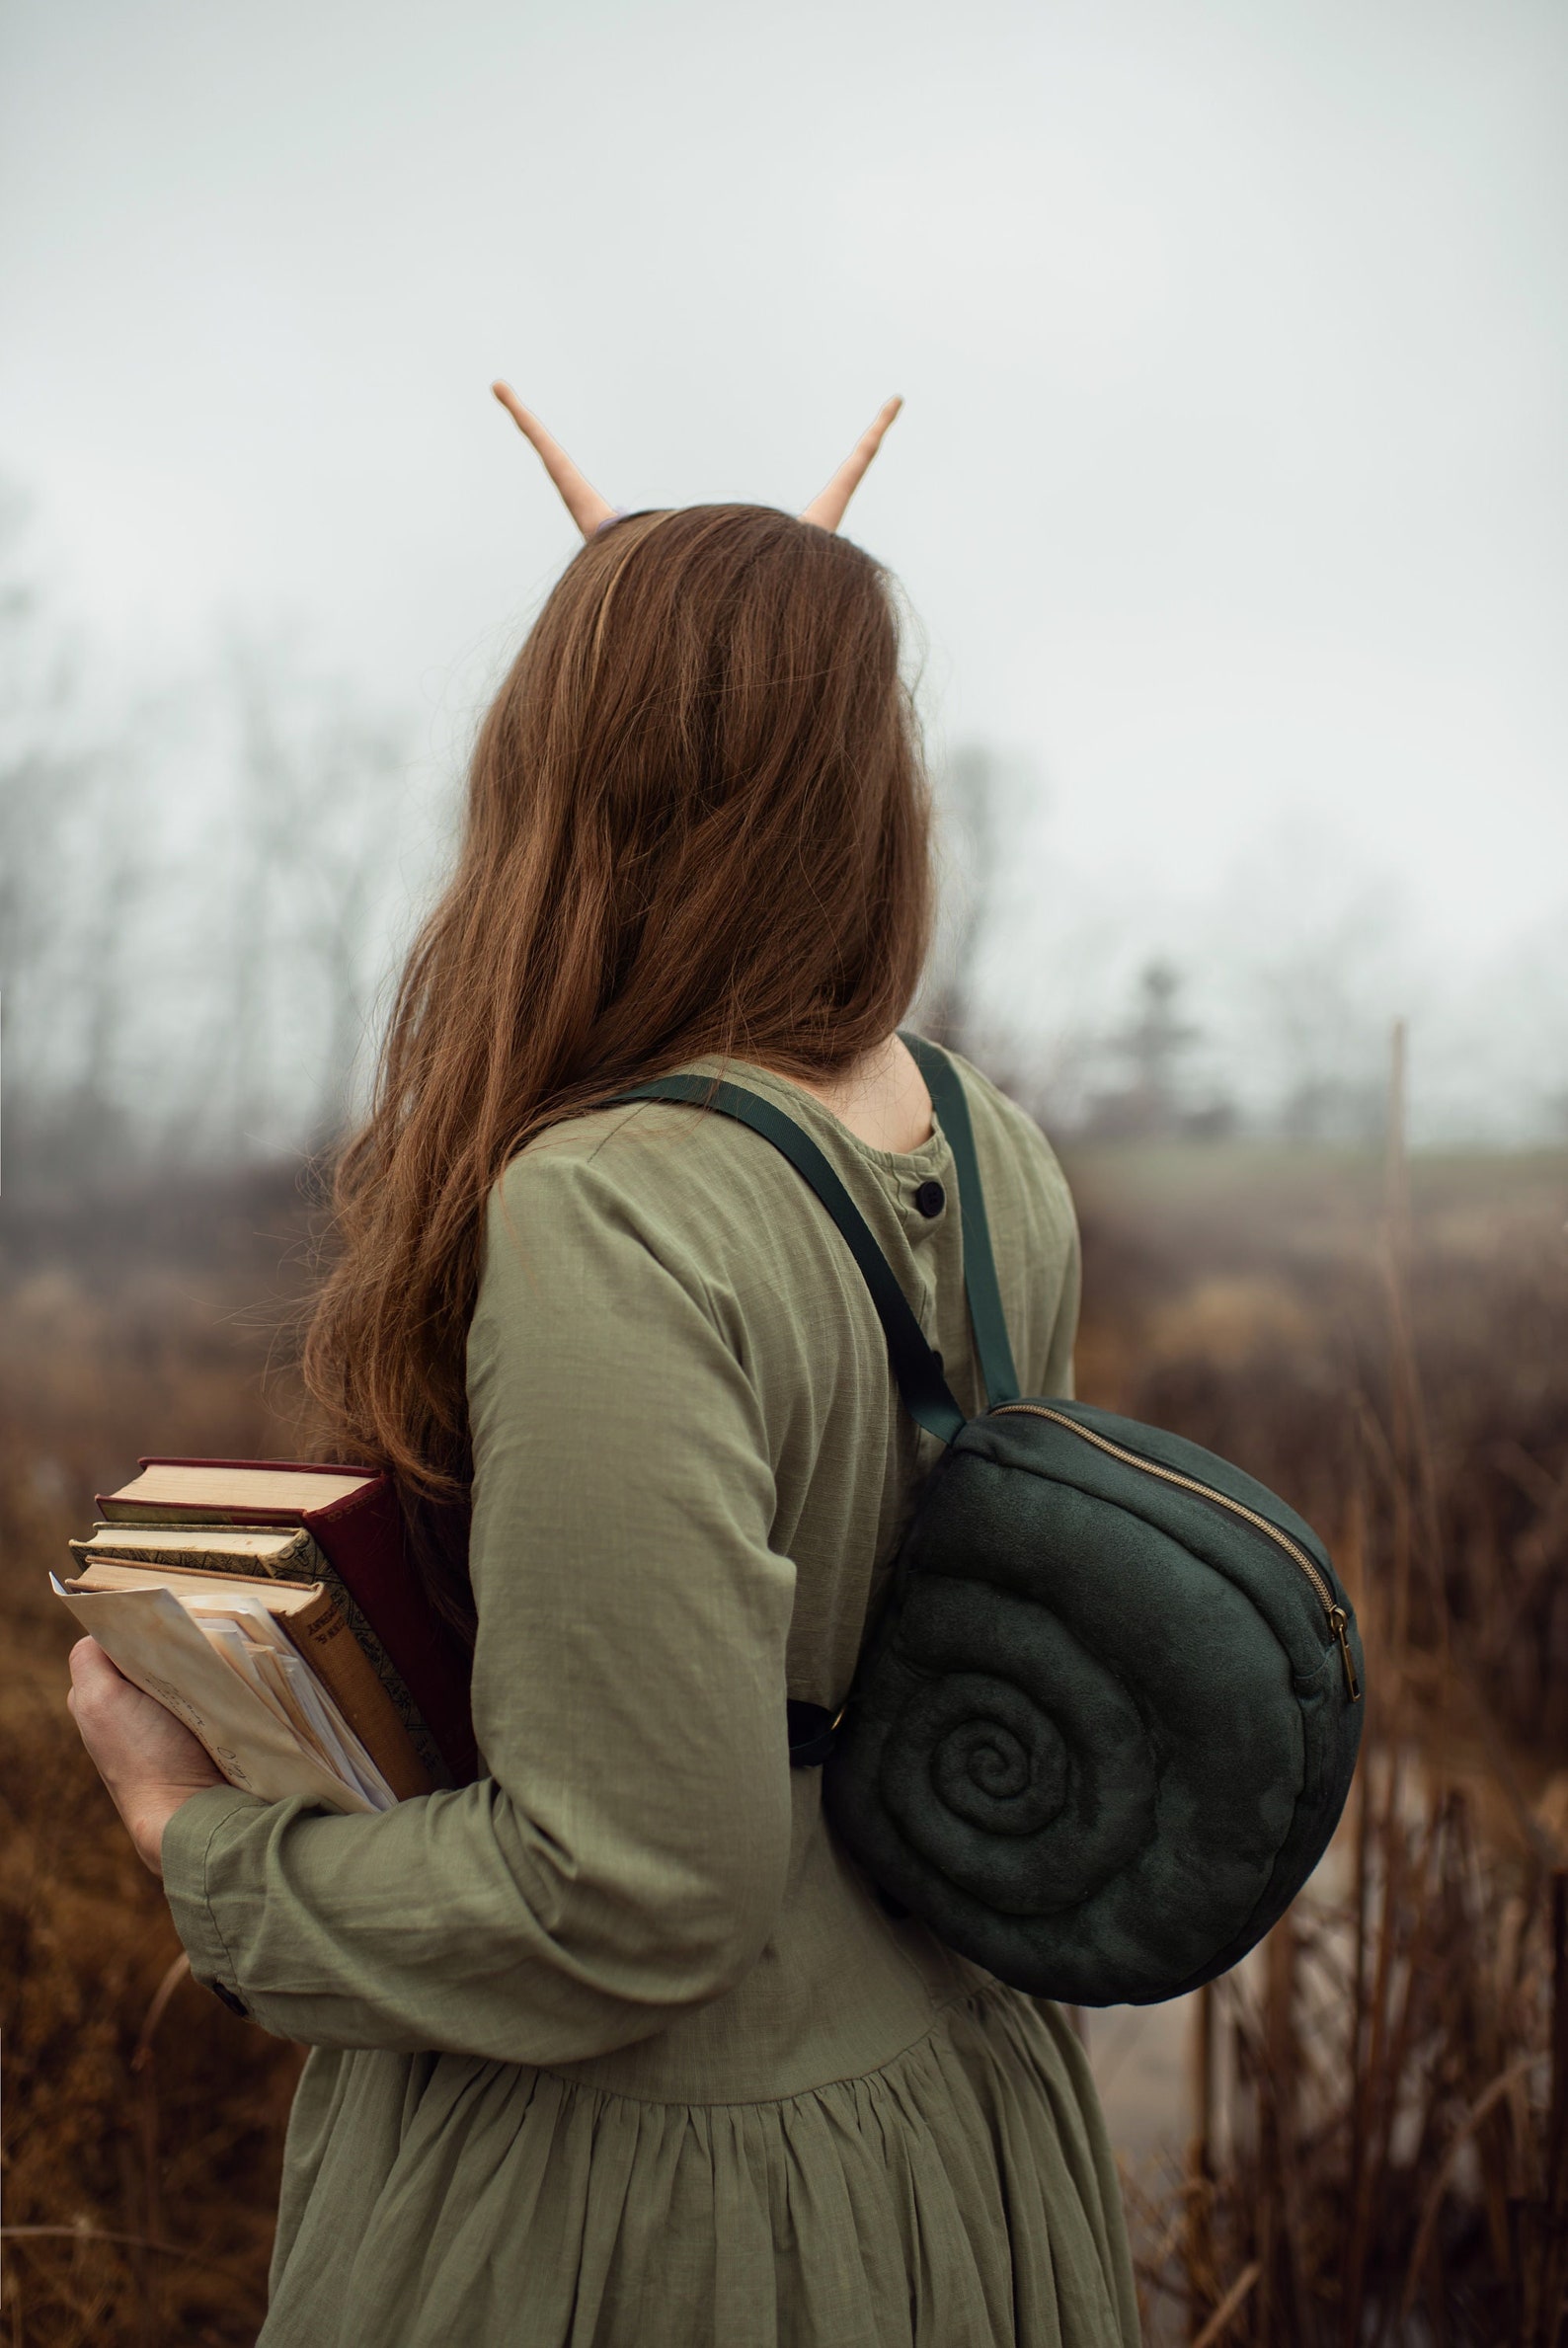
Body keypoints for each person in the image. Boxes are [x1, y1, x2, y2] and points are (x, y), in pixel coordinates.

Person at [66, 390, 1141, 2348]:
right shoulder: (980, 1145)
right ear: (859, 788)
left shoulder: (605, 1208)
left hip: (663, 2209)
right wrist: (724, 633)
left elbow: (627, 1888)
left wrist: (189, 1840)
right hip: (952, 2127)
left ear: (564, 788)